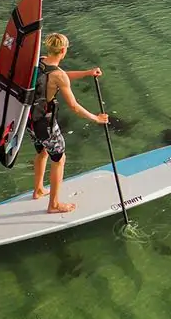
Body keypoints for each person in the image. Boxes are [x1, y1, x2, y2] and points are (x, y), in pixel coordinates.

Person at [27, 32, 109, 214]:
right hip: (45, 123)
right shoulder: (58, 75)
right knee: (59, 158)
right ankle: (54, 205)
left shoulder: (40, 61)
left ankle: (38, 190)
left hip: (30, 120)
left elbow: (61, 76)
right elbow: (73, 106)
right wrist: (96, 118)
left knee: (42, 152)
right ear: (63, 50)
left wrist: (87, 73)